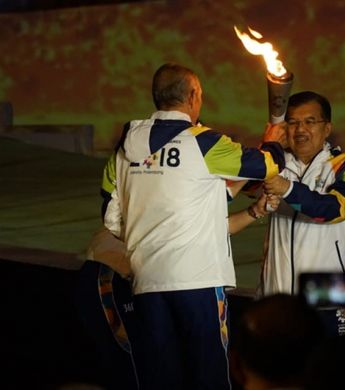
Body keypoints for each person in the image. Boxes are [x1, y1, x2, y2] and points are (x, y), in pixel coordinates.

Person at [100, 63, 287, 389]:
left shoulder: (125, 146)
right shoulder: (204, 143)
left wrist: (149, 235)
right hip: (198, 283)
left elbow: (111, 217)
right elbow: (268, 165)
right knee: (208, 377)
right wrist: (272, 137)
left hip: (147, 283)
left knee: (161, 380)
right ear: (193, 95)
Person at [257, 91, 345, 335]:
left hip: (333, 297)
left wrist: (288, 188)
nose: (300, 129)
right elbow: (247, 185)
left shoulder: (344, 165)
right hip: (279, 296)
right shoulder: (276, 164)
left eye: (309, 122)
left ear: (327, 128)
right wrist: (269, 145)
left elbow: (335, 209)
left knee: (333, 372)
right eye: (293, 122)